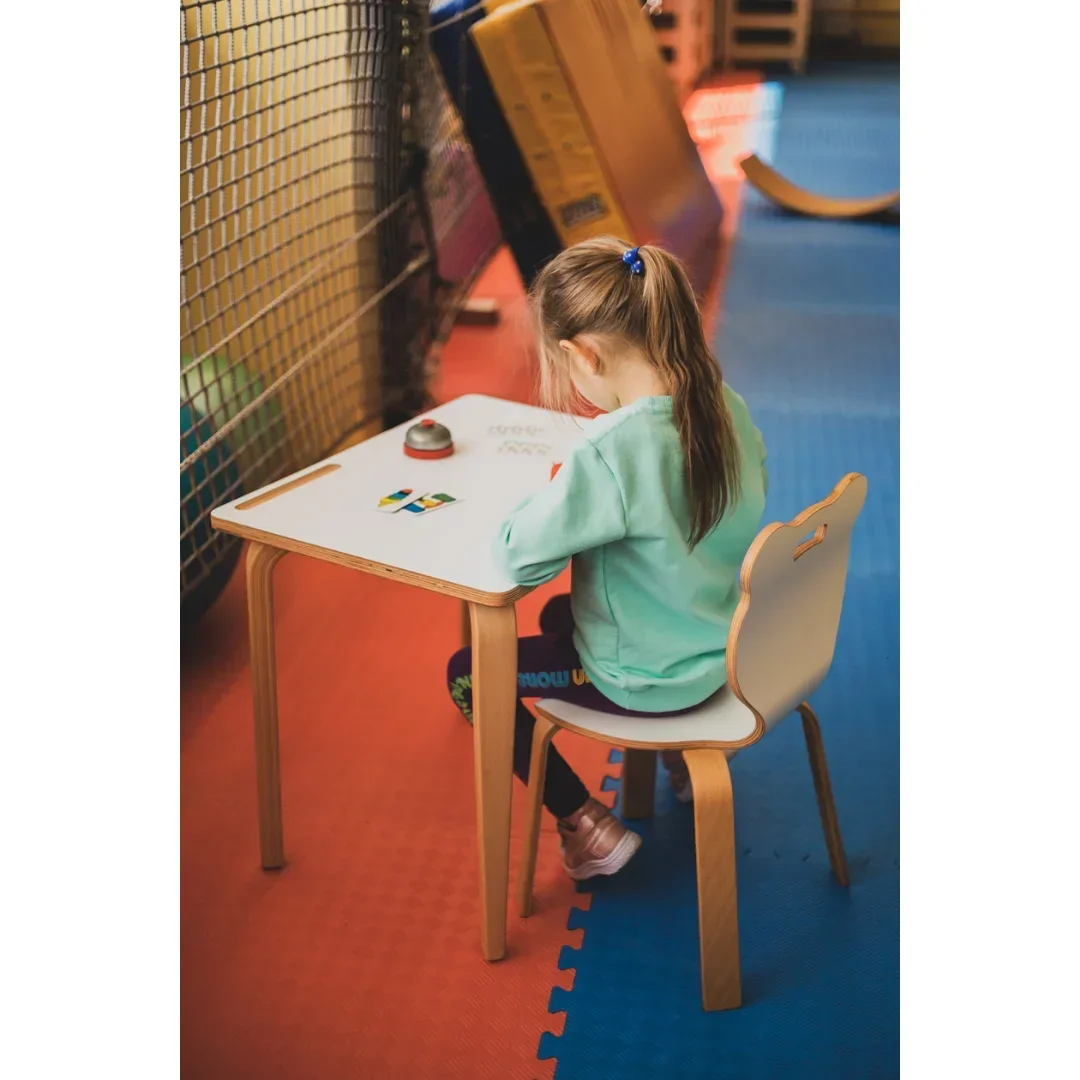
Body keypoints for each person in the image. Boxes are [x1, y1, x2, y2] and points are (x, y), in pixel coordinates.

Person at [446, 237, 768, 882]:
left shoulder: (612, 450)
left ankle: (584, 824)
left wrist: (561, 490)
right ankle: (679, 758)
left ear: (583, 354)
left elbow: (516, 557)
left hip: (649, 679)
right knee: (564, 616)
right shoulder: (722, 404)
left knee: (468, 672)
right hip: (725, 647)